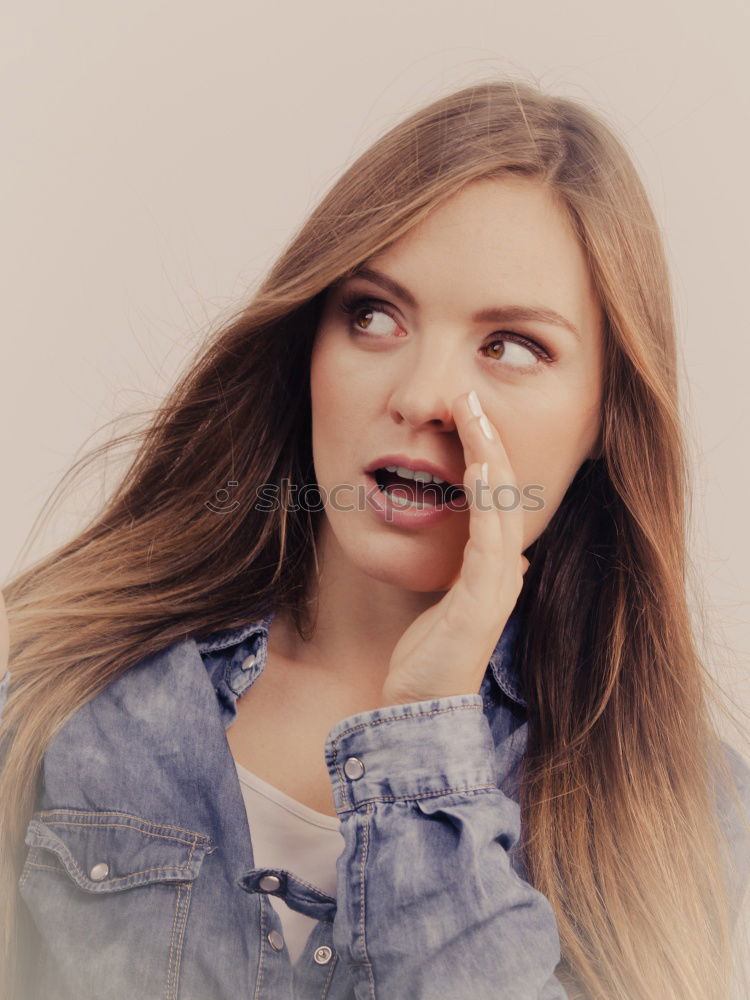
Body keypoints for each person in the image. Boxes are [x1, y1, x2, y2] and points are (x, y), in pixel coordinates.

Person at [0, 77, 749, 1000]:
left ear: (606, 416)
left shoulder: (674, 809)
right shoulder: (62, 689)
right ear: (308, 348)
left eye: (513, 345)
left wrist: (425, 730)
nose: (425, 394)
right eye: (374, 315)